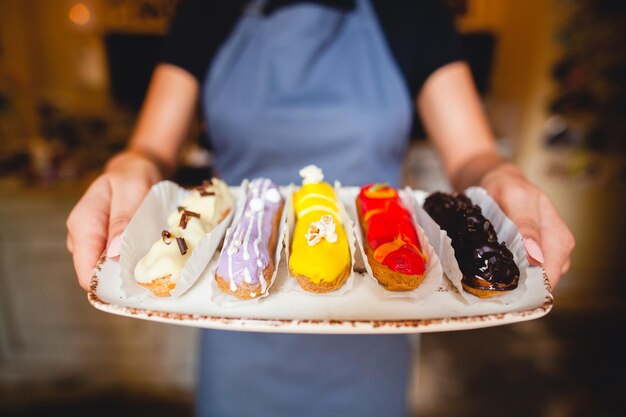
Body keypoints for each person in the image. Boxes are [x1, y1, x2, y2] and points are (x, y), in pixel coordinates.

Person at [66, 1, 575, 416]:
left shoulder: (414, 11)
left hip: (377, 314)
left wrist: (500, 176)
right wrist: (130, 167)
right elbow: (152, 148)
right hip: (242, 317)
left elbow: (472, 154)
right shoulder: (207, 11)